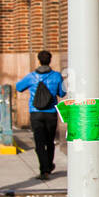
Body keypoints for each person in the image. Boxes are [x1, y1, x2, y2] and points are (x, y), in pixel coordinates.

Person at [16, 50, 66, 181]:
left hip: (35, 112)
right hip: (51, 113)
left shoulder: (31, 76)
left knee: (39, 143)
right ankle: (49, 165)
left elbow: (19, 87)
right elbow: (62, 93)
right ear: (50, 61)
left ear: (39, 60)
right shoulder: (56, 76)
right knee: (50, 141)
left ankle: (44, 169)